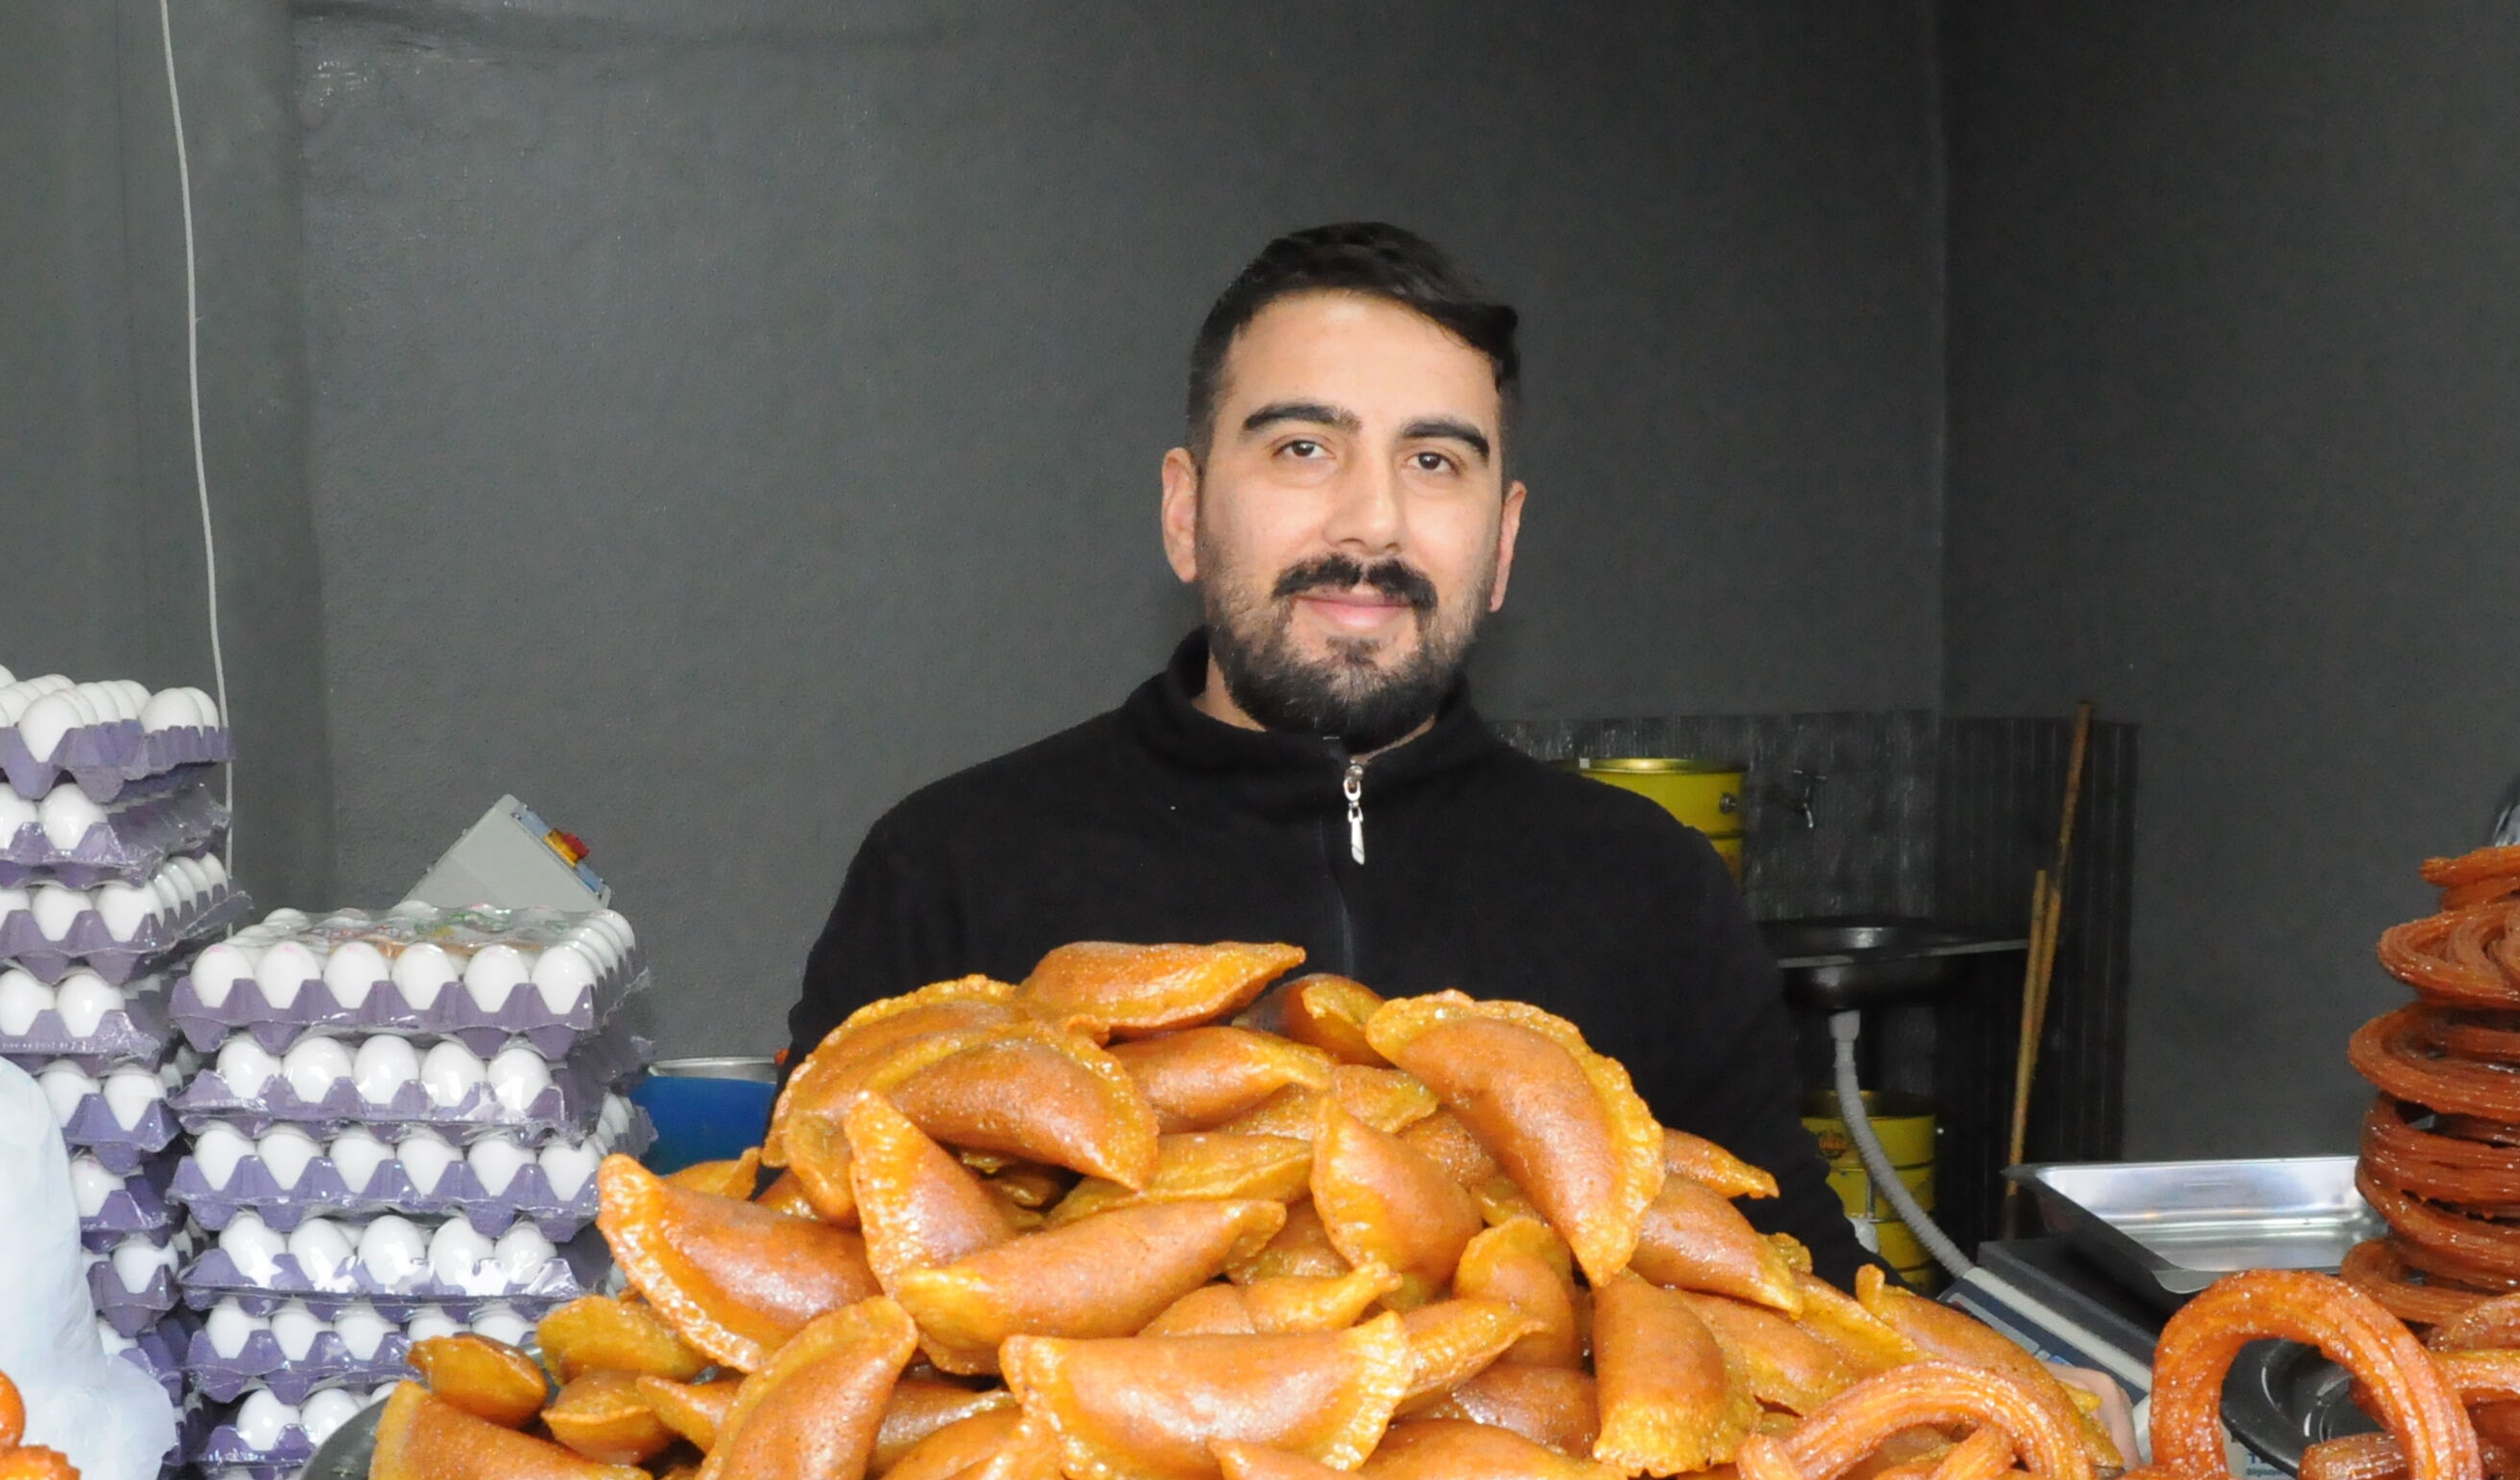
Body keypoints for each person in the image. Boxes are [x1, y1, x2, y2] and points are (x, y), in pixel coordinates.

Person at [788, 220, 1856, 1263]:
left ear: (1503, 544)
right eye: (1304, 448)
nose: (1372, 524)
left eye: (1435, 461)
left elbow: (1801, 1295)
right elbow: (796, 1263)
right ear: (1183, 510)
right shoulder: (948, 870)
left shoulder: (1652, 889)